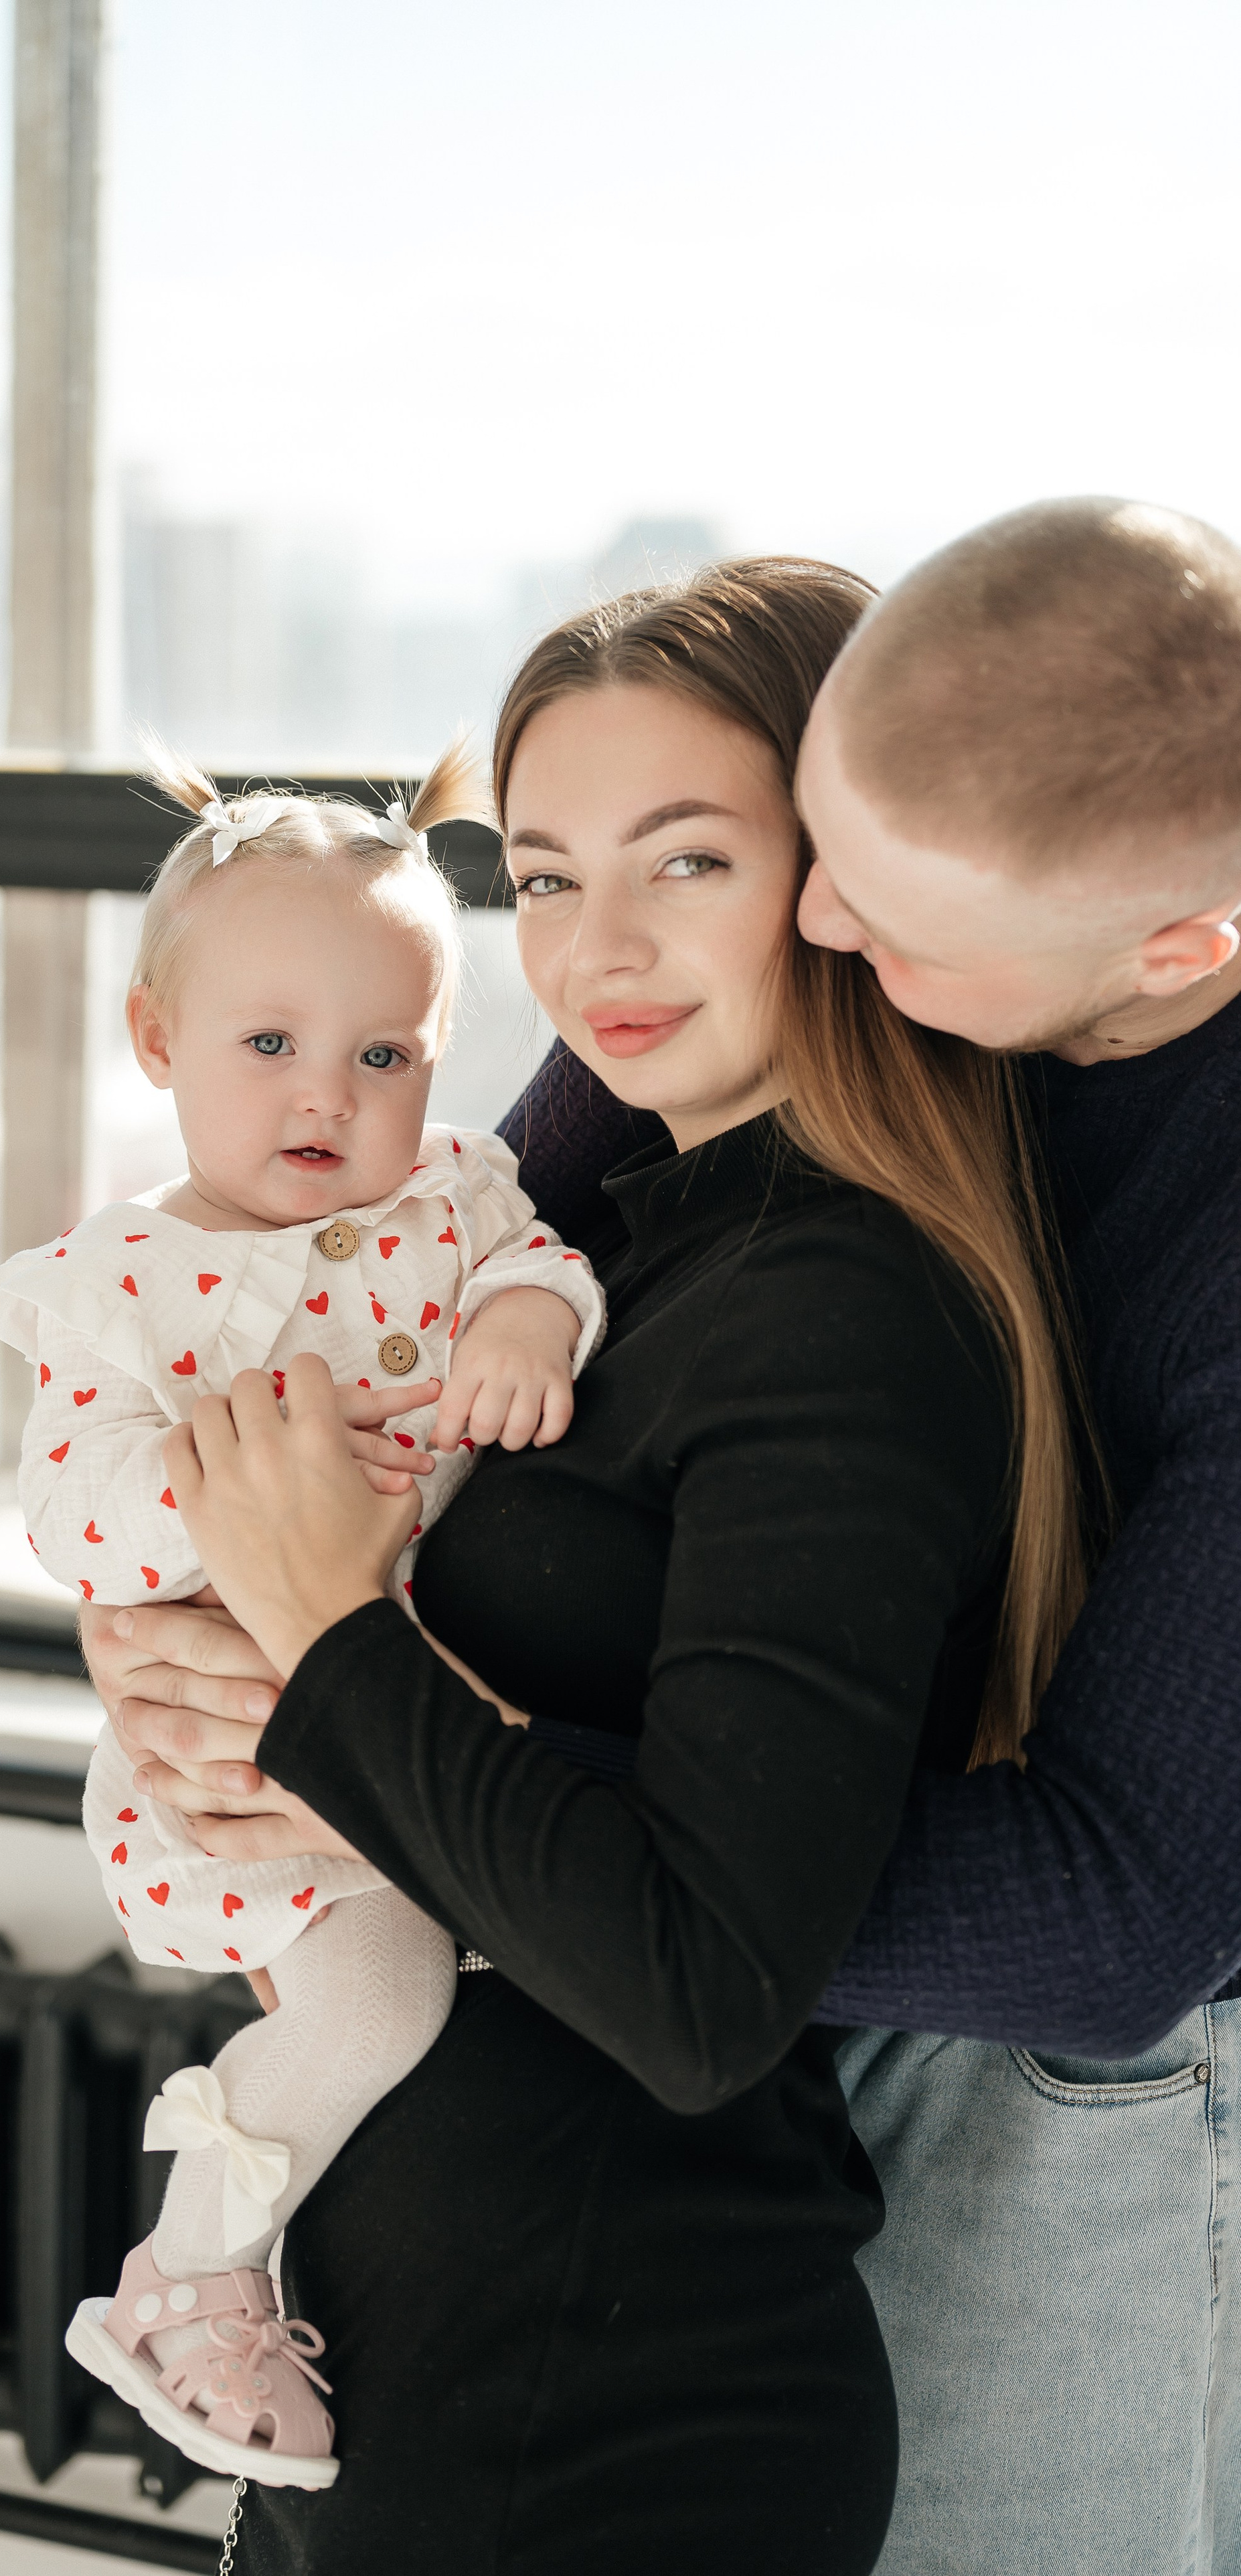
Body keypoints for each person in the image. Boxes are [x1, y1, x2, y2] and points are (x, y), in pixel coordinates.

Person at [92, 560, 1090, 2573]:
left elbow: (704, 1987)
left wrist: (320, 1646)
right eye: (541, 878)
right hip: (416, 2358)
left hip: (610, 2411)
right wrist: (180, 1658)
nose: (596, 949)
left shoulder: (844, 1306)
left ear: (841, 876)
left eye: (686, 861)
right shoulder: (603, 1235)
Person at [436, 498, 1241, 2573]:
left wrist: (449, 1792)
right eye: (799, 851)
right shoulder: (889, 904)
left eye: (869, 909)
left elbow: (1117, 1914)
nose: (806, 933)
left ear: (1176, 950)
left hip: (1096, 2063)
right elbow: (473, 1261)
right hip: (774, 1950)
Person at [0, 742, 603, 2490]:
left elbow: (540, 1255)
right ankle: (187, 2278)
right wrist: (226, 1489)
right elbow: (67, 1510)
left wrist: (529, 1331)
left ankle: (243, 2263)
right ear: (157, 1042)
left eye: (381, 1053)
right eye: (270, 1046)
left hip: (421, 1734)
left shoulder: (452, 1199)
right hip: (255, 1759)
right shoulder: (124, 1289)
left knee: (452, 2015)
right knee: (383, 2009)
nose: (329, 1094)